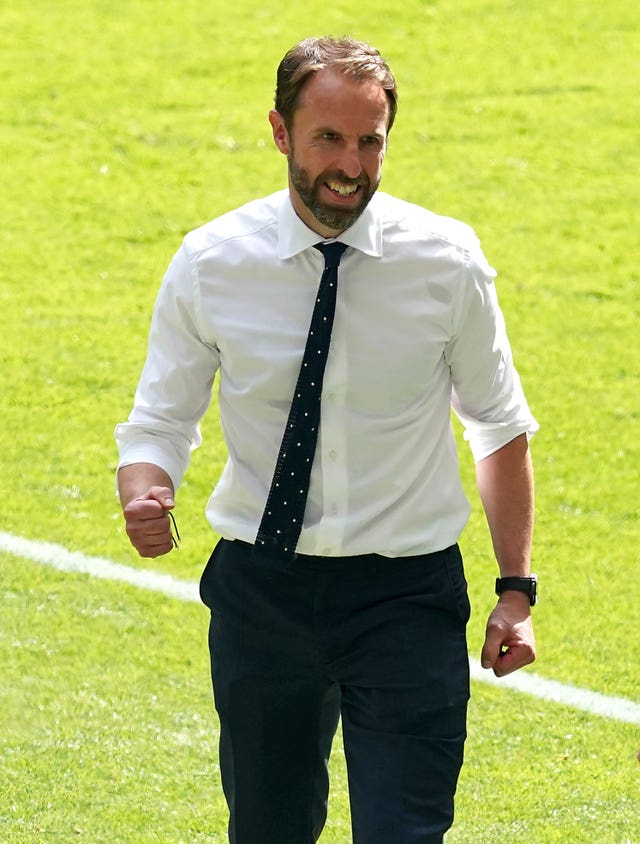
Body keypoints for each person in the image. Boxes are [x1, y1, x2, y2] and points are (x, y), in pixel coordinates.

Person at [115, 35, 538, 844]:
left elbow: (499, 427)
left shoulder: (446, 262)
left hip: (406, 599)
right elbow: (160, 420)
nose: (351, 164)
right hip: (261, 595)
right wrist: (145, 485)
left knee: (403, 831)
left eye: (370, 140)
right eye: (329, 139)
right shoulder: (212, 262)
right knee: (269, 830)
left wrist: (516, 591)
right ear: (280, 132)